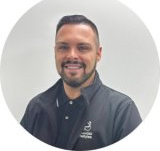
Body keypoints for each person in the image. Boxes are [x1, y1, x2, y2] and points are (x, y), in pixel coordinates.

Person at [20, 15, 142, 150]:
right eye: (63, 47)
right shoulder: (36, 108)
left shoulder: (122, 111)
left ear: (98, 54)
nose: (72, 55)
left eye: (82, 47)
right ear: (55, 52)